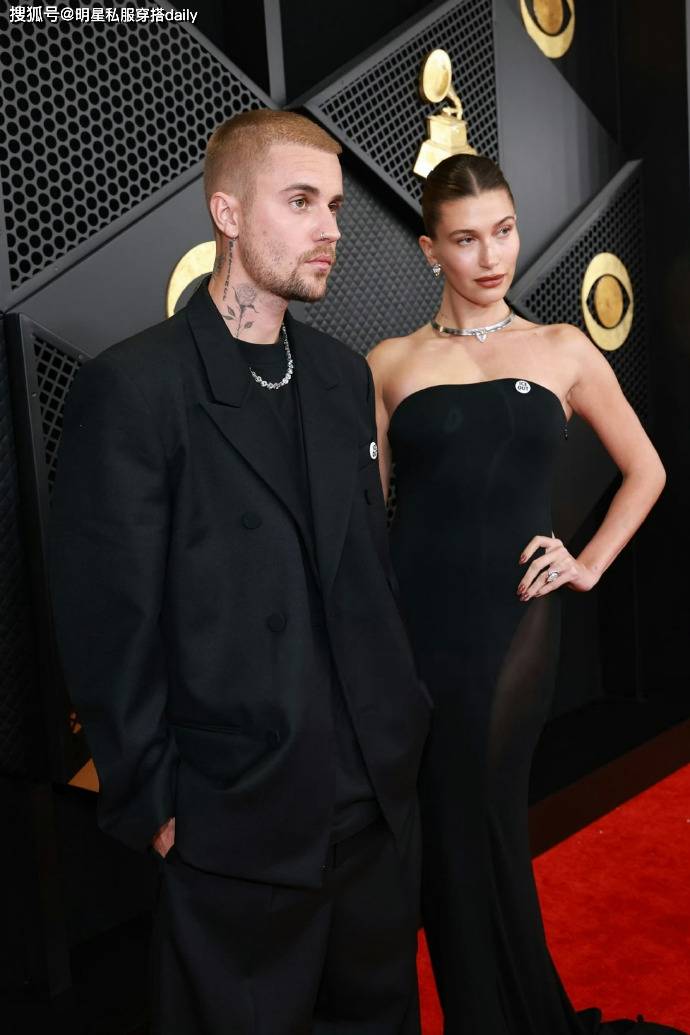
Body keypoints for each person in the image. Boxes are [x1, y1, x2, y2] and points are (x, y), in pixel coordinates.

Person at [49, 109, 430, 1035]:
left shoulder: (341, 376)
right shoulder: (136, 386)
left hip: (374, 808)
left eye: (334, 205)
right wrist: (157, 803)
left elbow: (364, 575)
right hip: (234, 820)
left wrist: (400, 721)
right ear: (226, 212)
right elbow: (108, 621)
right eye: (300, 202)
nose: (330, 228)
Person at [367, 153, 679, 1035]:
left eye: (503, 230)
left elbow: (647, 468)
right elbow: (366, 518)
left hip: (514, 621)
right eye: (466, 239)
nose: (491, 255)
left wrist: (587, 560)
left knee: (481, 815)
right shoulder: (388, 363)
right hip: (415, 630)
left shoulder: (562, 347)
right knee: (449, 836)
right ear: (430, 249)